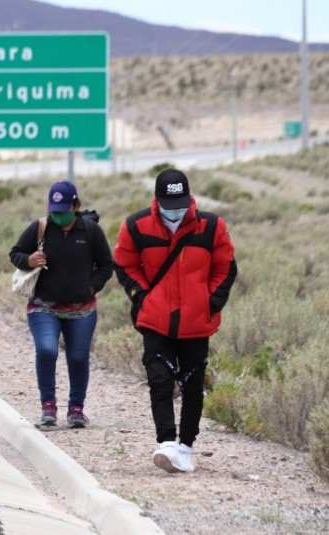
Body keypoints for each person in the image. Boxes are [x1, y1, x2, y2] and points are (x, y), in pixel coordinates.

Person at [113, 169, 237, 474]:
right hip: (156, 319)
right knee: (160, 379)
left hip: (196, 322)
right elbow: (124, 264)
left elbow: (226, 268)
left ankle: (186, 448)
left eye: (181, 204)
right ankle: (167, 443)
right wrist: (141, 296)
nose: (176, 210)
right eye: (170, 205)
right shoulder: (136, 226)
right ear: (157, 200)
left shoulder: (211, 226)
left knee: (193, 387)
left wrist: (211, 302)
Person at [9, 180, 114, 429]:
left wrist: (91, 287)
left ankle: (76, 409)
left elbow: (107, 265)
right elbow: (15, 253)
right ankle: (48, 406)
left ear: (76, 205)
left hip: (82, 309)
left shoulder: (90, 231)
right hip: (43, 305)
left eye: (64, 209)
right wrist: (29, 259)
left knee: (78, 357)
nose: (58, 215)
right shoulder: (40, 227)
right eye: (54, 210)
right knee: (47, 349)